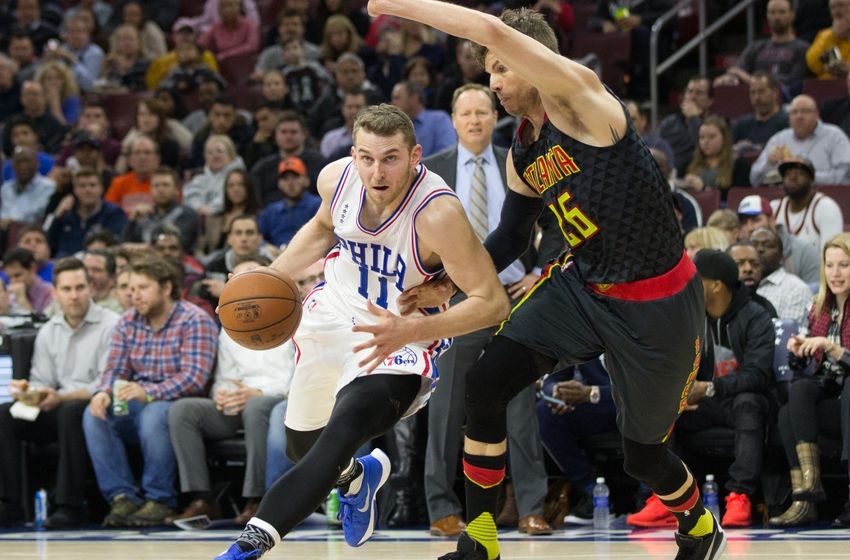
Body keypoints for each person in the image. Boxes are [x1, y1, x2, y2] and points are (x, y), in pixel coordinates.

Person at [365, 3, 723, 560]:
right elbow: (509, 238)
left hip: (659, 303)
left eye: (501, 69)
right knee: (485, 384)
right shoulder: (524, 151)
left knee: (642, 455)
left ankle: (698, 524)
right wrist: (447, 285)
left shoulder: (583, 99)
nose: (494, 82)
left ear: (531, 60)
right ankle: (481, 539)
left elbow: (488, 27)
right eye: (488, 73)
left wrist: (392, 5)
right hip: (583, 289)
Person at [214, 103, 509, 559]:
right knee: (302, 447)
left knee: (344, 429)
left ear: (415, 156)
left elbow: (492, 303)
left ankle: (247, 545)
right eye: (367, 157)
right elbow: (320, 228)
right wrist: (266, 279)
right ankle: (358, 476)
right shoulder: (336, 178)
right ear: (353, 154)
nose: (377, 171)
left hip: (398, 336)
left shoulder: (438, 213)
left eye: (390, 157)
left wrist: (408, 329)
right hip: (332, 314)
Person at [423, 83, 559, 538]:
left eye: (484, 111)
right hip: (459, 296)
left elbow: (555, 219)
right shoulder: (432, 172)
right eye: (467, 113)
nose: (476, 120)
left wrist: (539, 273)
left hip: (514, 295)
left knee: (520, 402)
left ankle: (531, 506)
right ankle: (443, 507)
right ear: (455, 119)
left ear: (493, 116)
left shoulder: (517, 158)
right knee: (445, 404)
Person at [636, 250, 774, 529]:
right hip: (704, 402)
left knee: (749, 402)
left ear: (716, 285)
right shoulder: (687, 316)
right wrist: (679, 394)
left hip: (739, 402)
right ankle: (666, 498)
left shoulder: (756, 316)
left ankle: (740, 495)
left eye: (695, 279)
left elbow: (758, 375)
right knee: (663, 409)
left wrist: (709, 388)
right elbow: (669, 365)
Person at [82, 255, 218, 527]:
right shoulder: (128, 321)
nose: (135, 296)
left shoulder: (194, 320)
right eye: (131, 289)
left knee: (154, 413)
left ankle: (160, 499)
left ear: (166, 288)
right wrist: (103, 391)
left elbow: (194, 378)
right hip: (137, 401)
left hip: (183, 406)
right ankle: (122, 497)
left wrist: (149, 392)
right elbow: (115, 369)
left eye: (143, 288)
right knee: (94, 413)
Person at [169, 256, 295, 526]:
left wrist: (258, 392)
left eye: (252, 274)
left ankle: (257, 499)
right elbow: (224, 378)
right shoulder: (230, 327)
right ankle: (203, 498)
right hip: (239, 405)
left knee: (257, 407)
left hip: (279, 404)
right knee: (184, 410)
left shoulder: (291, 317)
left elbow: (297, 379)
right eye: (238, 278)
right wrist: (223, 396)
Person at [0, 257, 119, 528]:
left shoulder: (112, 325)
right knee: (4, 415)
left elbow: (105, 383)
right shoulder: (48, 331)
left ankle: (70, 506)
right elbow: (42, 380)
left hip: (96, 409)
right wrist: (29, 392)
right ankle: (9, 505)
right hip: (55, 408)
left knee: (71, 410)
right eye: (66, 289)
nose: (74, 296)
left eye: (79, 287)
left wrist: (60, 397)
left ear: (90, 287)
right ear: (55, 293)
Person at [771, 232, 850, 527]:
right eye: (830, 265)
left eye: (844, 265)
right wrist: (799, 351)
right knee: (792, 403)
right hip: (833, 400)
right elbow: (809, 370)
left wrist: (832, 348)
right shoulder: (817, 308)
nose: (835, 273)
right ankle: (807, 493)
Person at [535, 357, 616, 525]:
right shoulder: (584, 334)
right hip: (602, 408)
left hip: (638, 406)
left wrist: (593, 393)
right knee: (545, 411)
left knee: (649, 411)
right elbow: (552, 378)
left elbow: (646, 387)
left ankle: (647, 498)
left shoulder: (634, 332)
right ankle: (592, 492)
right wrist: (558, 393)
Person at [714, 0, 809, 101]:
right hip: (751, 104)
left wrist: (748, 79)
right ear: (767, 15)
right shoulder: (756, 47)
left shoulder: (802, 48)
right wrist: (727, 79)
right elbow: (736, 70)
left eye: (782, 12)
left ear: (792, 14)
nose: (776, 17)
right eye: (772, 12)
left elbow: (792, 83)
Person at [750, 95, 850, 186]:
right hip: (783, 199)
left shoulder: (834, 136)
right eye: (794, 112)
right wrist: (768, 163)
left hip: (825, 197)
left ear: (817, 114)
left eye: (805, 111)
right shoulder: (779, 139)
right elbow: (754, 180)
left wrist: (809, 176)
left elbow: (846, 175)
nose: (799, 116)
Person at [736, 194, 820, 286]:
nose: (750, 228)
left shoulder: (805, 252)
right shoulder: (734, 253)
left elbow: (816, 293)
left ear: (772, 221)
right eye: (744, 222)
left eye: (756, 220)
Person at [46, 168, 127, 258]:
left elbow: (116, 246)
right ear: (75, 190)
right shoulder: (65, 214)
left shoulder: (114, 213)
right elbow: (47, 244)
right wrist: (56, 217)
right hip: (62, 263)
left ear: (101, 188)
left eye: (92, 185)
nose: (87, 190)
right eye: (82, 186)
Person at [772, 157, 845, 252]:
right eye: (788, 174)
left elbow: (831, 255)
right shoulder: (774, 208)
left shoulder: (826, 207)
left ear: (811, 180)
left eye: (800, 173)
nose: (792, 177)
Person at [750, 227, 813, 326]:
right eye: (753, 245)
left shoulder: (796, 289)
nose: (759, 249)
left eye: (768, 245)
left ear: (781, 256)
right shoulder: (739, 284)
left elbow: (788, 336)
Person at [257, 157, 321, 248]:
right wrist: (267, 247)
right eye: (285, 178)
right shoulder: (271, 211)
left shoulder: (319, 205)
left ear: (306, 180)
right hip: (277, 256)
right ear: (279, 184)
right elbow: (258, 237)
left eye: (295, 177)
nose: (290, 183)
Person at [3, 247, 54, 315]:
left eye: (17, 275)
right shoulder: (9, 295)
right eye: (9, 277)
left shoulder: (49, 293)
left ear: (32, 268)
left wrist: (22, 299)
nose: (13, 281)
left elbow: (44, 323)